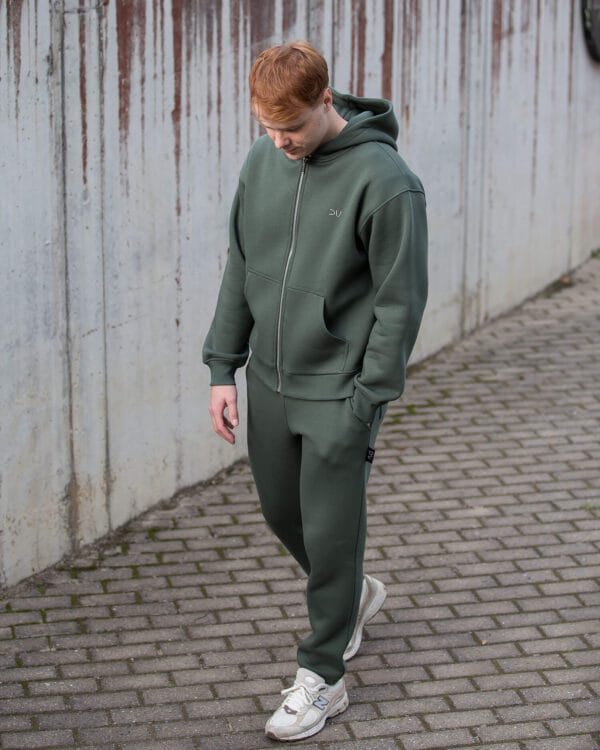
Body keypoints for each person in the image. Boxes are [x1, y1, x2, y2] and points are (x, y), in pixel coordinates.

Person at [203, 40, 428, 742]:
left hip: (340, 391)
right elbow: (241, 265)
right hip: (269, 381)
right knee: (281, 512)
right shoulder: (262, 160)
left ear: (325, 100)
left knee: (331, 531)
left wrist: (368, 397)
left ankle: (322, 674)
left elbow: (399, 303)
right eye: (268, 128)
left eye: (292, 127)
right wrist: (222, 367)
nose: (281, 142)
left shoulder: (386, 181)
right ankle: (352, 592)